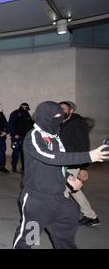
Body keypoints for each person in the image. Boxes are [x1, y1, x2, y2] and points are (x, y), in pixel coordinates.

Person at [12, 101, 109, 249]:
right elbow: (50, 157)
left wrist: (68, 179)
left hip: (58, 197)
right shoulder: (33, 136)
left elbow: (58, 164)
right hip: (37, 200)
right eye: (54, 116)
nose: (58, 119)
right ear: (43, 117)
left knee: (68, 224)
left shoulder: (55, 138)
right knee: (29, 239)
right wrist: (89, 156)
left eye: (60, 116)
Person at [59, 101, 100, 227]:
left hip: (73, 162)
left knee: (62, 190)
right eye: (59, 108)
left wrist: (83, 168)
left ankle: (59, 220)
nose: (61, 111)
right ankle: (91, 216)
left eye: (64, 109)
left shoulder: (78, 123)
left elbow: (84, 145)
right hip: (63, 161)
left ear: (71, 111)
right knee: (74, 190)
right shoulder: (62, 122)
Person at [8, 103, 34, 173]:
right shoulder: (15, 113)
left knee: (24, 153)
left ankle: (23, 168)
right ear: (22, 107)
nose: (26, 110)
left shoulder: (27, 114)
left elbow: (30, 125)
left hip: (25, 137)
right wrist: (14, 134)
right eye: (26, 108)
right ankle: (14, 167)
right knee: (16, 152)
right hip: (16, 137)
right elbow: (11, 124)